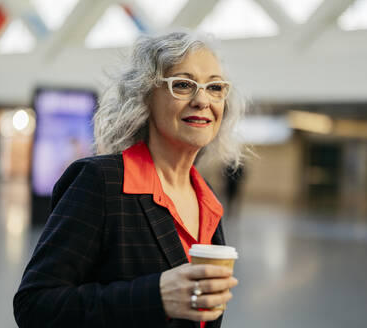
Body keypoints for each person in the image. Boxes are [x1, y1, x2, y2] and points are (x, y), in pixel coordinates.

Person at [13, 30, 245, 328]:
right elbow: (35, 306)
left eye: (215, 87)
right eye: (183, 85)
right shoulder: (101, 182)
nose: (202, 100)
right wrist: (156, 296)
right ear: (145, 96)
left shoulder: (206, 198)